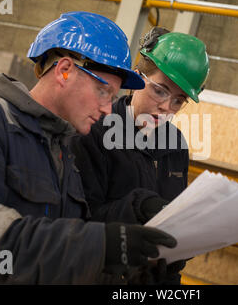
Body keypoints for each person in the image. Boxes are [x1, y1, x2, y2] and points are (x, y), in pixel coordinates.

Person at [0, 12, 178, 284]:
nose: (108, 110)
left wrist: (130, 273)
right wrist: (99, 246)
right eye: (102, 91)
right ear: (64, 71)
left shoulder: (62, 154)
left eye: (113, 97)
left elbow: (57, 262)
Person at [70, 27, 210, 284]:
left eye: (179, 101)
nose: (167, 107)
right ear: (137, 77)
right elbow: (79, 223)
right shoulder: (95, 130)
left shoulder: (176, 144)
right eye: (160, 90)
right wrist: (138, 208)